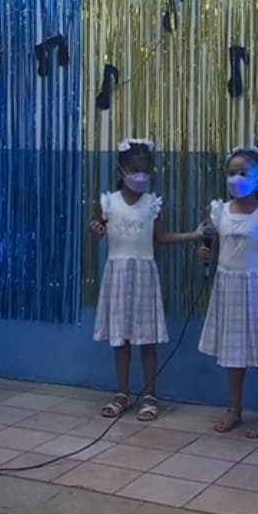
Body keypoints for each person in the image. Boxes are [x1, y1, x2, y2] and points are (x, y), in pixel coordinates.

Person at [91, 137, 204, 421]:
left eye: (145, 170)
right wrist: (96, 230)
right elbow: (98, 229)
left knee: (147, 339)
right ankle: (122, 393)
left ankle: (150, 395)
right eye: (134, 169)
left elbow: (162, 238)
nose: (140, 175)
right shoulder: (108, 202)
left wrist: (195, 234)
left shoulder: (153, 204)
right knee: (120, 338)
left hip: (144, 275)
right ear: (121, 171)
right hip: (117, 275)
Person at [198, 146, 258, 436]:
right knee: (233, 353)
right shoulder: (220, 212)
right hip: (228, 286)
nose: (236, 179)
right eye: (232, 173)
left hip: (257, 289)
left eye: (244, 173)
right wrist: (205, 255)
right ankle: (234, 408)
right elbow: (213, 246)